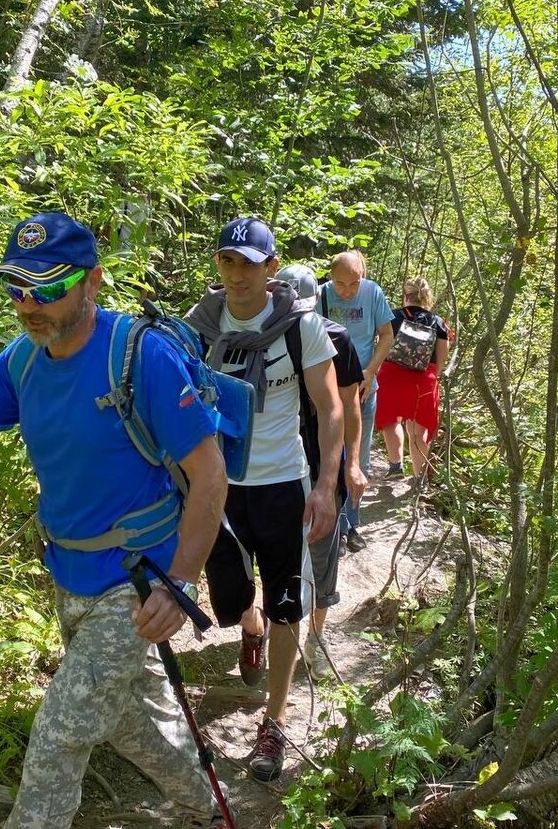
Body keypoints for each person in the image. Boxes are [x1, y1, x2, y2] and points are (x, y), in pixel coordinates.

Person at [0, 211, 228, 829]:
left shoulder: (142, 355)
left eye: (51, 287)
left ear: (92, 282)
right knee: (122, 718)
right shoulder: (22, 361)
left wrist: (181, 580)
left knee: (60, 731)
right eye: (18, 288)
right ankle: (209, 809)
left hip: (140, 578)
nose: (31, 304)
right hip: (68, 571)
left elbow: (209, 475)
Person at [185, 217, 343, 782]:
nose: (237, 273)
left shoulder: (300, 328)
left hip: (282, 484)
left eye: (249, 262)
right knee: (230, 597)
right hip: (217, 485)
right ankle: (247, 628)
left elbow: (330, 409)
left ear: (271, 268)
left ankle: (273, 723)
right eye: (228, 261)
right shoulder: (199, 328)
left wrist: (327, 486)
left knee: (286, 604)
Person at [274, 263, 365, 681]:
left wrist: (352, 463)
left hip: (322, 465)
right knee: (278, 556)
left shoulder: (337, 338)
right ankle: (269, 630)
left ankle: (315, 638)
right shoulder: (264, 338)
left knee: (323, 554)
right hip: (278, 469)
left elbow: (349, 407)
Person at [319, 250, 394, 550]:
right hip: (327, 392)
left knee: (358, 459)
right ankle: (333, 523)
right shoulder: (321, 294)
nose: (347, 291)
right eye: (341, 284)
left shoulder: (373, 293)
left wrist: (370, 372)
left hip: (363, 391)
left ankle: (352, 523)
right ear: (330, 277)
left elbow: (386, 335)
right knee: (330, 456)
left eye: (354, 283)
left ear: (362, 276)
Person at [377, 277, 451, 481]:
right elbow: (441, 358)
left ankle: (395, 467)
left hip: (391, 376)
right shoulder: (438, 322)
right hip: (423, 381)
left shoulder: (391, 316)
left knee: (391, 422)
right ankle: (420, 479)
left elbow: (381, 346)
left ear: (406, 296)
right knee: (418, 432)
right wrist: (433, 377)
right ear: (427, 297)